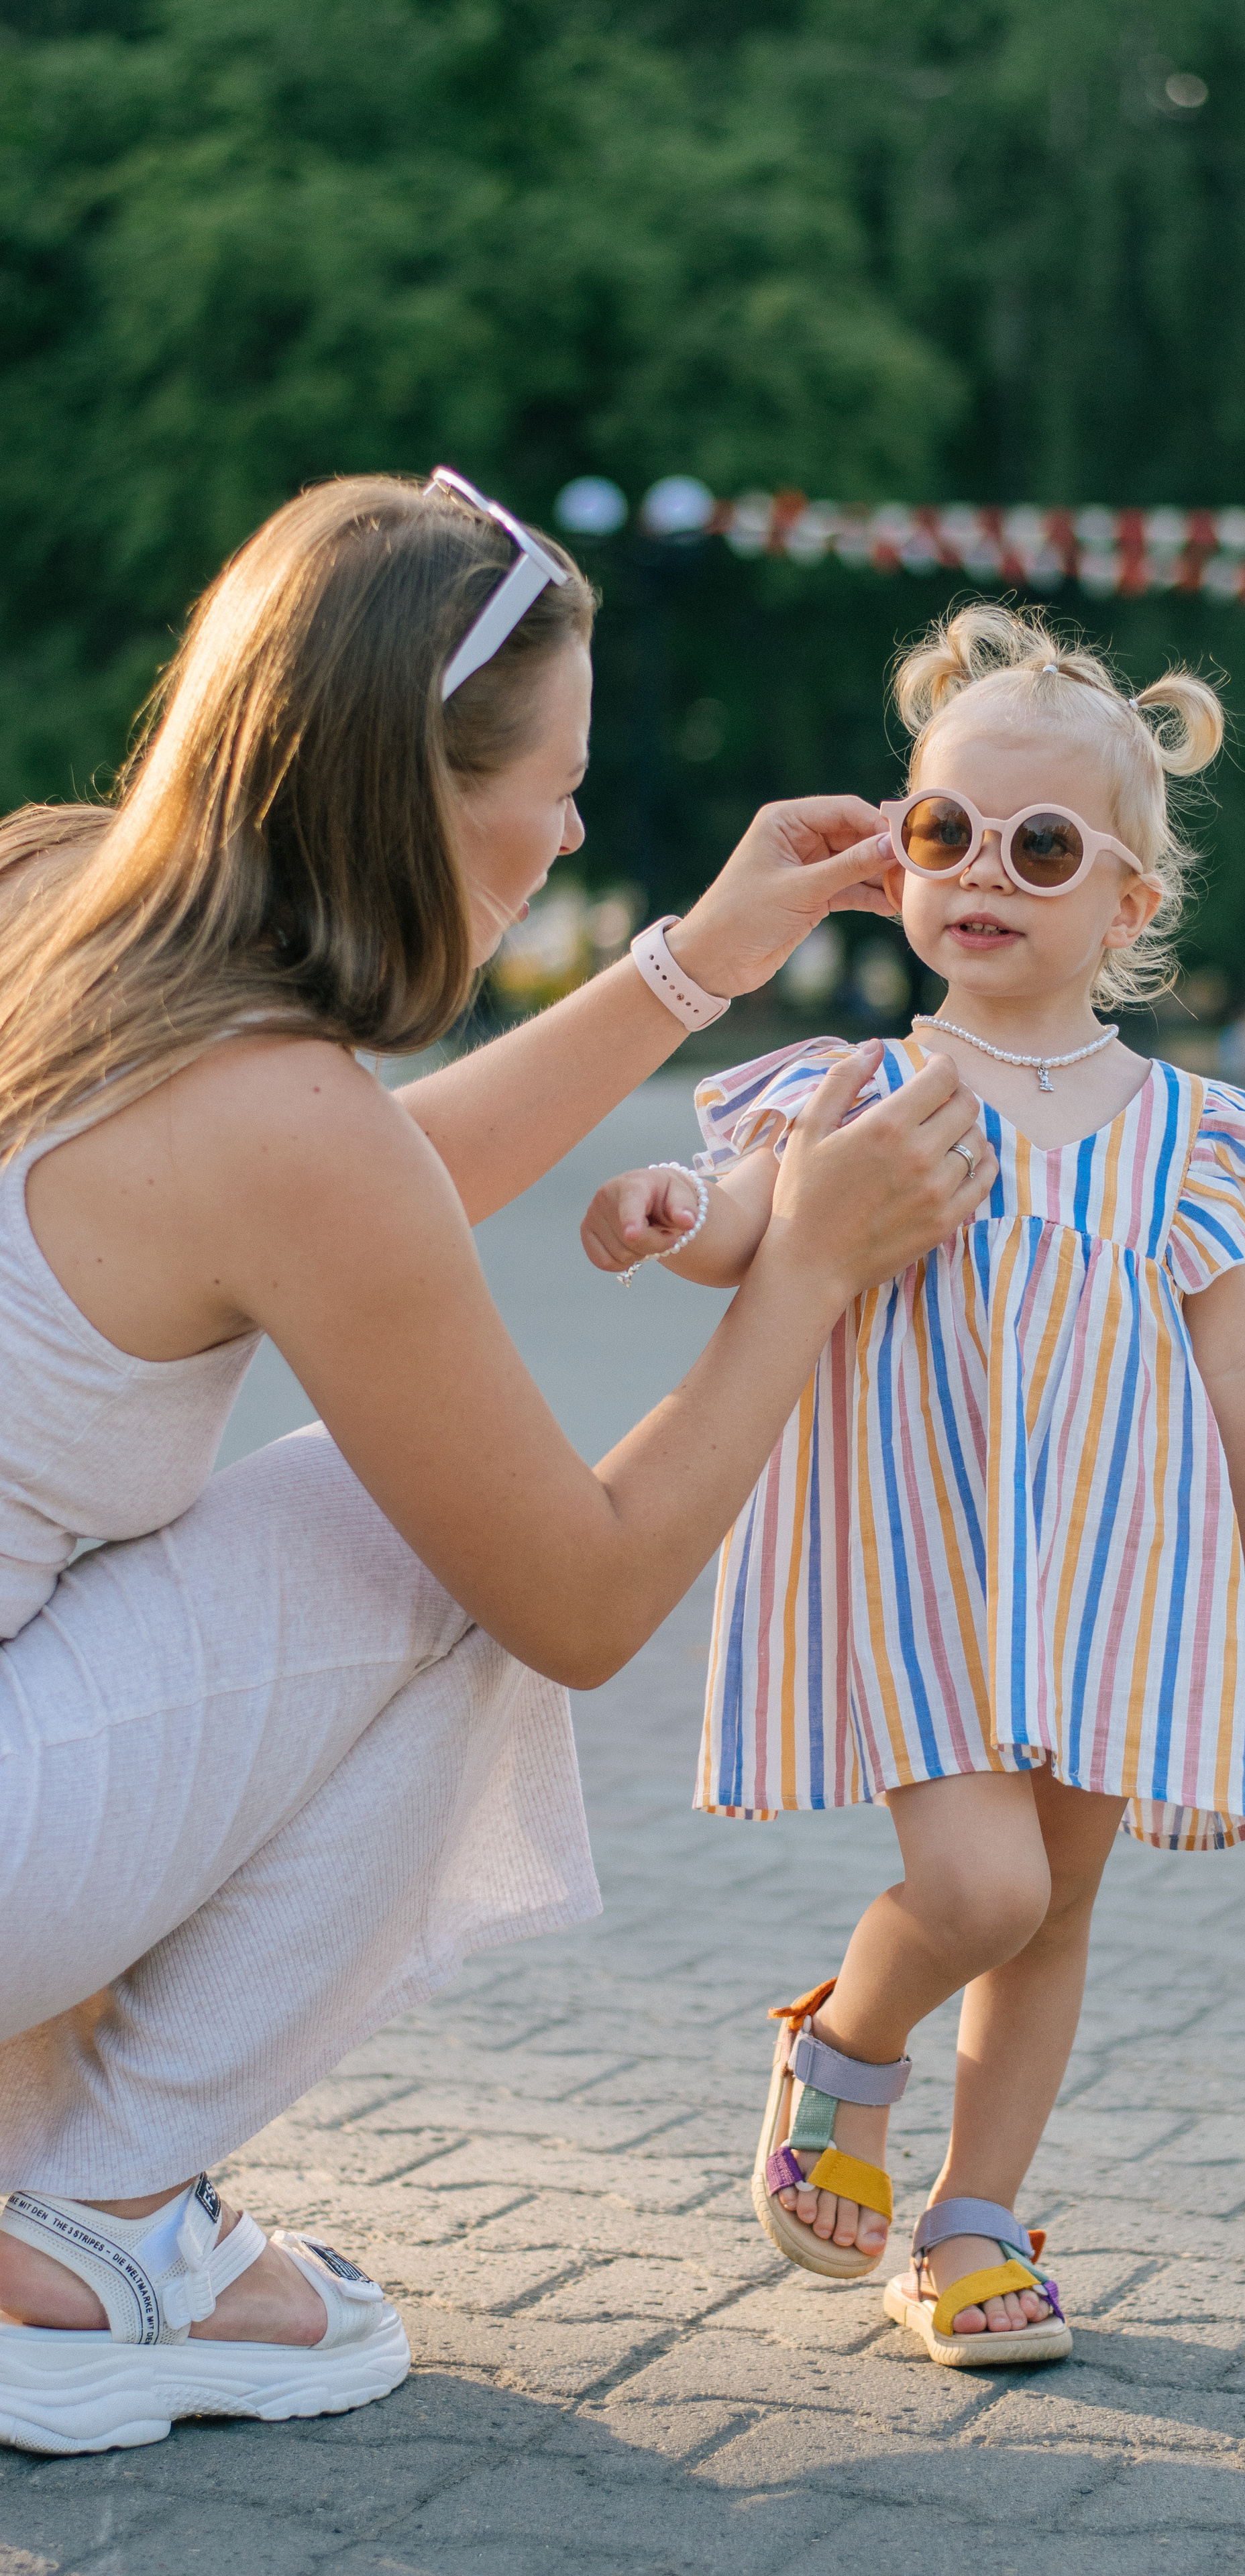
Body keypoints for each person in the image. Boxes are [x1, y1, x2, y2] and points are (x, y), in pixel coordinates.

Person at [0, 470, 997, 2457]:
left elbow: (369, 1201)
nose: (560, 825)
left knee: (343, 1496)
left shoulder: (59, 893)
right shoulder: (276, 1115)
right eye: (550, 782)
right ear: (400, 790)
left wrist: (691, 961)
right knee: (436, 1534)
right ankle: (78, 2236)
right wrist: (800, 1273)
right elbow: (584, 1589)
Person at [582, 604, 1245, 2367]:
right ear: (898, 855)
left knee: (1059, 1903)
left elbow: (1237, 1363)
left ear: (1129, 903)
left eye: (1043, 846)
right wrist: (674, 1215)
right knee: (984, 1888)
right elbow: (755, 1231)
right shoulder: (862, 1086)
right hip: (919, 1556)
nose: (983, 871)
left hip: (1120, 1570)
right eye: (944, 832)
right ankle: (849, 2045)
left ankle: (976, 2216)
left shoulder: (1182, 1135)